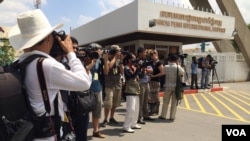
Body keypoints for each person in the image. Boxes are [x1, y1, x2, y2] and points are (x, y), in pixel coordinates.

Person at [8, 9, 92, 141]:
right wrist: (70, 52)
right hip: (46, 135)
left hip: (27, 132)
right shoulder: (47, 65)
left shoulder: (18, 63)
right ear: (47, 38)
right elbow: (84, 83)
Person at [87, 43, 107, 138]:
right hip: (86, 90)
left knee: (97, 111)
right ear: (95, 50)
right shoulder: (86, 58)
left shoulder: (101, 60)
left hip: (98, 88)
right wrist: (92, 61)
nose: (101, 51)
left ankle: (96, 131)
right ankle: (80, 131)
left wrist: (106, 60)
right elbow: (85, 70)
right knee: (84, 112)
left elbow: (106, 72)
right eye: (100, 49)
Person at [102, 45, 124, 127]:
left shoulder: (118, 60)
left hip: (117, 84)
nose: (120, 52)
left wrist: (121, 61)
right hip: (109, 85)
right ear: (114, 51)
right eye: (118, 51)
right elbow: (109, 67)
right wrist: (115, 57)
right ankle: (105, 119)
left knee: (115, 103)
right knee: (108, 103)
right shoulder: (107, 58)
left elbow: (122, 72)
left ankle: (111, 117)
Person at [159, 54, 184, 121]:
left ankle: (163, 115)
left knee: (165, 102)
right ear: (176, 60)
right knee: (174, 102)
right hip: (175, 87)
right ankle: (172, 116)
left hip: (167, 86)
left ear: (170, 59)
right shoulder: (178, 67)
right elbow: (182, 73)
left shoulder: (166, 67)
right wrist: (178, 64)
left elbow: (163, 73)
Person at [122, 52, 142, 133]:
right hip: (130, 90)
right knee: (131, 109)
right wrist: (138, 69)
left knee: (136, 108)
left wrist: (142, 69)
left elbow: (141, 75)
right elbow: (131, 78)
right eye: (133, 58)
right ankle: (126, 126)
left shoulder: (134, 67)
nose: (134, 60)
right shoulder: (126, 68)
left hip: (136, 90)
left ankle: (134, 123)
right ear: (128, 60)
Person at [136, 47, 154, 124]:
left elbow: (151, 70)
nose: (145, 54)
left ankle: (145, 115)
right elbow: (138, 71)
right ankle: (139, 118)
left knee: (146, 101)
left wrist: (146, 70)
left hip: (146, 82)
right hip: (140, 83)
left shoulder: (146, 61)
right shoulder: (137, 61)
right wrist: (146, 70)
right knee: (140, 101)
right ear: (140, 53)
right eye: (144, 52)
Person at [148, 49, 164, 116]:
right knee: (150, 96)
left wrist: (154, 76)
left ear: (157, 54)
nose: (152, 55)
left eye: (154, 54)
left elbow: (162, 72)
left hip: (156, 81)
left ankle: (155, 111)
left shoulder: (159, 63)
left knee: (156, 96)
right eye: (151, 54)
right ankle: (151, 110)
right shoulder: (151, 62)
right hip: (150, 81)